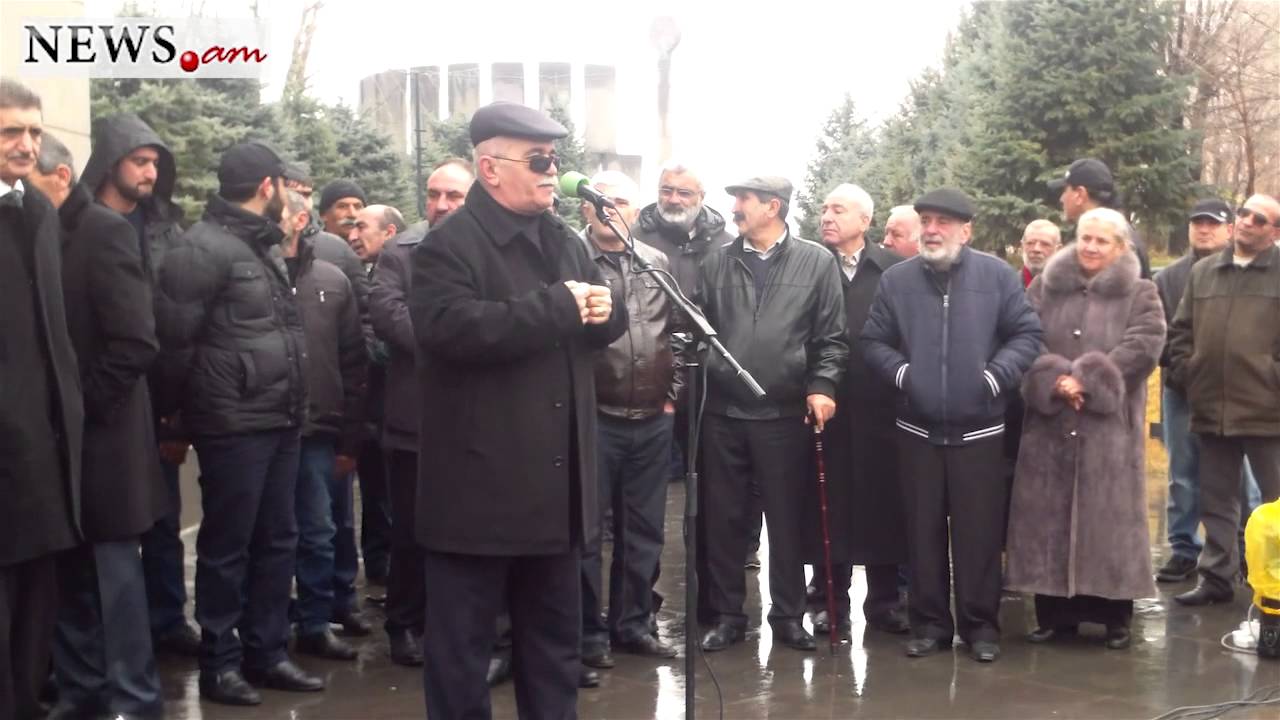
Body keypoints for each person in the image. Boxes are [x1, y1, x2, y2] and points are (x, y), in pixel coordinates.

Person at [408, 101, 626, 718]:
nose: (551, 170)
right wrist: (557, 307)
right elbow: (450, 330)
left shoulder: (564, 239)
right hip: (478, 493)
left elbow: (595, 319)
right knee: (461, 655)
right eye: (537, 159)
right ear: (491, 167)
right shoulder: (447, 247)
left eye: (554, 158)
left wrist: (609, 314)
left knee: (555, 651)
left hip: (556, 493)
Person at [155, 141, 321, 705]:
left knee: (279, 539)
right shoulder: (201, 249)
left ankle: (267, 652)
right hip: (233, 423)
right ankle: (221, 664)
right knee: (228, 547)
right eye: (286, 186)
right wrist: (173, 420)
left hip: (280, 417)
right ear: (267, 186)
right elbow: (174, 344)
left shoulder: (262, 245)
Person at [862, 187, 1042, 663]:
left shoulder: (997, 276)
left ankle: (981, 627)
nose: (933, 229)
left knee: (978, 534)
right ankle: (929, 625)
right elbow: (874, 341)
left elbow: (1027, 334)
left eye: (944, 221)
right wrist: (906, 375)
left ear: (967, 230)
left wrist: (993, 377)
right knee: (921, 535)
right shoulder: (897, 281)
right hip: (917, 433)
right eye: (926, 220)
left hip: (980, 432)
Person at [28, 132, 166, 719]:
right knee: (72, 580)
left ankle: (136, 702)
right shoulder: (35, 233)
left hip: (105, 441)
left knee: (114, 583)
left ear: (61, 177)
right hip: (58, 443)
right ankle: (82, 696)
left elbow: (135, 341)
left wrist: (78, 410)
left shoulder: (103, 231)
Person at [696, 175, 848, 653]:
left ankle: (787, 616)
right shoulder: (716, 261)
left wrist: (822, 386)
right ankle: (726, 615)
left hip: (785, 415)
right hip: (723, 412)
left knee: (786, 519)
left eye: (744, 199)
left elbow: (831, 337)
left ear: (773, 207)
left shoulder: (816, 261)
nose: (736, 207)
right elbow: (695, 330)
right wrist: (710, 369)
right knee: (725, 520)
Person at [1006, 207, 1165, 650]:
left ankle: (1114, 616)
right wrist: (1053, 378)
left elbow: (1146, 343)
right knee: (1046, 517)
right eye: (1085, 238)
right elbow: (1023, 335)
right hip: (1049, 423)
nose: (1091, 247)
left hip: (1109, 429)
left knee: (1108, 517)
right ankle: (1055, 617)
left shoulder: (1141, 292)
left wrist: (1091, 379)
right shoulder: (1044, 287)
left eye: (1102, 240)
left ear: (1120, 247)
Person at [79, 111, 199, 656]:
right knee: (105, 534)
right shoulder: (76, 225)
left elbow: (178, 324)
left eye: (155, 163)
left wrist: (176, 413)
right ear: (110, 162)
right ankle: (107, 645)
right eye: (140, 161)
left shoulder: (167, 230)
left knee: (162, 519)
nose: (150, 173)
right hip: (100, 404)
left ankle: (168, 620)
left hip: (158, 398)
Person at [0, 77, 85, 720]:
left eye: (33, 130)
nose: (26, 144)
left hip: (45, 450)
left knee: (36, 603)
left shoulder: (38, 211)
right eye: (10, 132)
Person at [577, 171, 683, 670]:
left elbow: (679, 334)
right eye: (601, 201)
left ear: (636, 213)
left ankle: (633, 623)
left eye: (620, 202)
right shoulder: (570, 259)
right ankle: (586, 632)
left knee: (645, 533)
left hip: (650, 419)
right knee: (586, 532)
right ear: (585, 209)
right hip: (592, 418)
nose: (608, 209)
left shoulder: (655, 262)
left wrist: (672, 394)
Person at [805, 183, 909, 637]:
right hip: (822, 406)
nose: (827, 216)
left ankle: (886, 601)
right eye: (825, 209)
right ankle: (830, 599)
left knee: (884, 503)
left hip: (882, 407)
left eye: (838, 210)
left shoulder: (894, 270)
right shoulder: (807, 265)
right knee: (829, 505)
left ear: (865, 221)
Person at [1167, 193, 1280, 606]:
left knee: (1276, 504)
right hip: (1211, 408)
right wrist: (1190, 374)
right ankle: (1216, 578)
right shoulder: (1205, 273)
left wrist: (1272, 378)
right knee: (1217, 500)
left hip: (1268, 412)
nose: (1247, 222)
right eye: (1244, 214)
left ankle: (1275, 583)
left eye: (1260, 218)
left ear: (1275, 232)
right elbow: (1180, 332)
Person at [279, 189, 370, 662]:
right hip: (264, 426)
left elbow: (354, 362)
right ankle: (268, 625)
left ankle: (317, 621)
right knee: (272, 536)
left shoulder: (332, 279)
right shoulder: (249, 273)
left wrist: (350, 436)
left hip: (319, 429)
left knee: (320, 531)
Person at [1154, 200, 1262, 584]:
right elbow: (1163, 334)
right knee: (1182, 474)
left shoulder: (1252, 271)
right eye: (1197, 223)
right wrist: (1188, 373)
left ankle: (1246, 548)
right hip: (1182, 392)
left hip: (1242, 396)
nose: (1203, 230)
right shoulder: (1168, 278)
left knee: (1243, 479)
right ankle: (1184, 548)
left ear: (1229, 229)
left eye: (1212, 224)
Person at [1047, 157, 1151, 279]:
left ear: (1079, 194)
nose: (1061, 199)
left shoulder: (1121, 242)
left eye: (1064, 191)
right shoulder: (1120, 233)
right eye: (1086, 239)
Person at [1019, 219, 1061, 287]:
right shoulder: (1007, 285)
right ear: (1022, 246)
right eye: (1030, 243)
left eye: (1045, 244)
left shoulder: (1071, 288)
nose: (1036, 249)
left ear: (1058, 249)